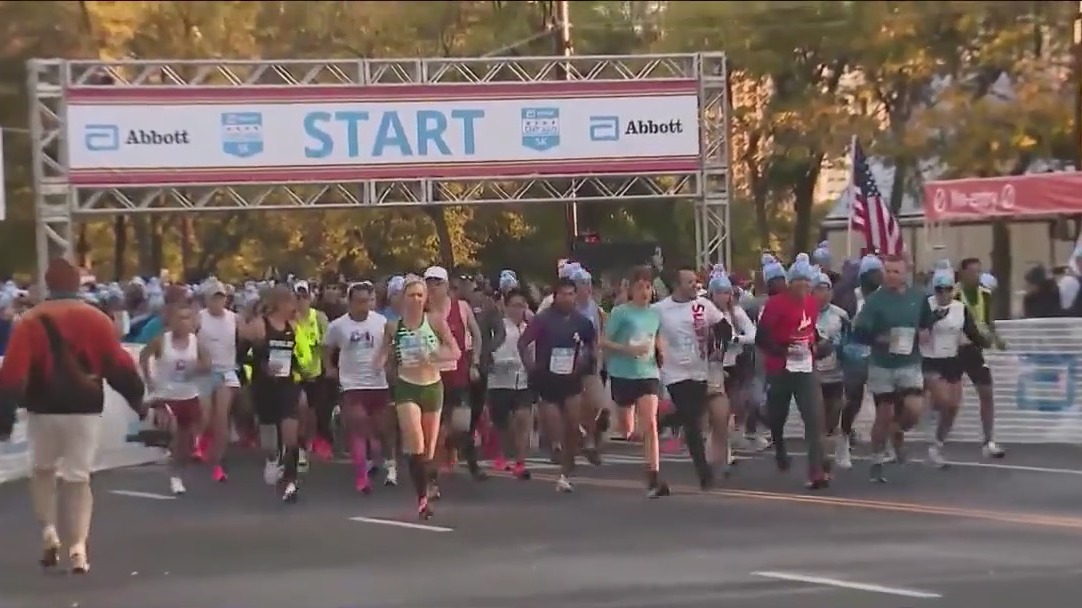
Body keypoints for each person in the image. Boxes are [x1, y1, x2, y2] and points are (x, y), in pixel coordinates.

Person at [0, 258, 145, 574]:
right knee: (78, 477)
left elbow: (12, 373)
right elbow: (117, 364)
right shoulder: (97, 319)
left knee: (42, 470)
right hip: (85, 406)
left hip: (43, 407)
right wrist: (138, 400)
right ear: (77, 284)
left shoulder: (30, 320)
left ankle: (49, 531)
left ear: (48, 284)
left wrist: (4, 417)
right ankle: (78, 547)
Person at [375, 276, 460, 519]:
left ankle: (428, 482)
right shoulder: (393, 326)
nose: (415, 299)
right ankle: (422, 499)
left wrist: (435, 355)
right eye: (411, 295)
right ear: (402, 298)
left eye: (420, 295)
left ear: (426, 299)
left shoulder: (435, 321)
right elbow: (381, 355)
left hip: (432, 387)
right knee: (415, 444)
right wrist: (379, 361)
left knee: (429, 452)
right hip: (407, 387)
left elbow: (455, 350)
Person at [852, 254, 926, 483]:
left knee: (914, 410)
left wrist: (924, 332)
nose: (891, 276)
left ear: (906, 273)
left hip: (910, 362)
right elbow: (860, 331)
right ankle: (876, 460)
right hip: (882, 364)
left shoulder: (918, 297)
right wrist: (879, 338)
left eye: (896, 271)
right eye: (888, 271)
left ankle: (898, 429)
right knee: (884, 413)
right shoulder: (875, 300)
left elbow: (927, 321)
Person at [519, 278, 597, 493]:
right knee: (555, 425)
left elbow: (591, 346)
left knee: (573, 423)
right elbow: (523, 343)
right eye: (563, 294)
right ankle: (557, 450)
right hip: (547, 380)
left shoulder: (582, 321)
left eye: (571, 294)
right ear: (555, 296)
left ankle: (567, 468)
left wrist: (585, 362)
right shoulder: (543, 319)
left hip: (571, 379)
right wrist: (531, 366)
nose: (568, 298)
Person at [756, 254, 827, 489]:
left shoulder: (812, 304)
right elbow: (761, 338)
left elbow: (811, 331)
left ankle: (816, 470)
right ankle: (779, 445)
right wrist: (781, 349)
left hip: (805, 367)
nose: (804, 285)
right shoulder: (775, 304)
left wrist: (819, 345)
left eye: (807, 281)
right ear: (790, 282)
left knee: (814, 417)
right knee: (777, 416)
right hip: (780, 368)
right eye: (799, 281)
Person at [654, 266, 727, 489]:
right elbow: (648, 333)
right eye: (689, 282)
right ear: (676, 286)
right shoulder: (660, 309)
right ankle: (704, 473)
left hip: (699, 369)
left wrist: (718, 343)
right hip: (674, 372)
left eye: (696, 281)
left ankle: (662, 422)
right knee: (693, 422)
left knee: (694, 416)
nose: (695, 285)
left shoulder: (704, 305)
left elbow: (724, 328)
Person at [603, 266, 669, 498]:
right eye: (640, 287)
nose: (645, 292)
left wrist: (661, 351)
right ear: (630, 290)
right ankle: (607, 418)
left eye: (648, 287)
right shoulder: (621, 313)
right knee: (628, 429)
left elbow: (657, 338)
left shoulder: (654, 314)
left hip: (648, 373)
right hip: (622, 373)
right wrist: (626, 349)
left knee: (650, 424)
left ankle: (653, 477)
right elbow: (603, 341)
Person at [323, 282, 394, 493]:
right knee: (358, 427)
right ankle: (362, 477)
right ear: (350, 302)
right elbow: (326, 348)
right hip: (352, 384)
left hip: (378, 383)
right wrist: (329, 367)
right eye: (359, 302)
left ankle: (386, 462)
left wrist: (387, 364)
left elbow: (389, 346)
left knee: (381, 429)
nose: (364, 306)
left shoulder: (381, 322)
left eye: (367, 301)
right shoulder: (338, 326)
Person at [240, 286, 303, 502]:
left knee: (291, 432)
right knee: (269, 436)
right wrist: (262, 366)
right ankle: (272, 457)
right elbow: (241, 355)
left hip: (287, 385)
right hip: (264, 386)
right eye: (290, 302)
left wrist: (299, 374)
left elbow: (295, 356)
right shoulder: (260, 326)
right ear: (279, 304)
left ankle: (291, 482)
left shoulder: (292, 326)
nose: (294, 307)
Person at [920, 266, 988, 468]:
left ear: (953, 289)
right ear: (934, 290)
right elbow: (919, 331)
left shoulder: (960, 308)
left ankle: (937, 445)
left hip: (951, 360)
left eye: (948, 289)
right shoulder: (926, 305)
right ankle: (926, 409)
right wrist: (932, 319)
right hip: (930, 359)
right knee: (943, 400)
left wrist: (985, 342)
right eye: (939, 289)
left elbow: (971, 331)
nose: (944, 294)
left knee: (953, 407)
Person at [140, 302, 211, 495]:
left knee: (186, 443)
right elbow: (144, 356)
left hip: (188, 395)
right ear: (171, 321)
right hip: (166, 395)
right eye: (180, 318)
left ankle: (178, 471)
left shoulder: (195, 342)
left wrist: (197, 369)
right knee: (173, 432)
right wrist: (149, 380)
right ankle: (172, 468)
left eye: (188, 318)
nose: (185, 322)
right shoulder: (162, 341)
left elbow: (207, 364)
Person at [424, 266, 486, 480]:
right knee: (434, 427)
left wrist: (474, 362)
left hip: (458, 373)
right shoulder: (421, 311)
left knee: (461, 424)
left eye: (438, 283)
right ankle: (433, 470)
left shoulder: (461, 307)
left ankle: (455, 450)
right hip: (431, 376)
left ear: (447, 285)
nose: (433, 288)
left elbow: (477, 336)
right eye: (429, 284)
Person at [955, 258, 1006, 459]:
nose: (976, 276)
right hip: (953, 348)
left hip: (974, 349)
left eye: (979, 271)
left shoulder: (985, 293)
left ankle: (988, 440)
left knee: (986, 391)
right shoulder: (953, 293)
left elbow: (988, 321)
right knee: (947, 398)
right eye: (972, 272)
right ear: (962, 273)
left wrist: (996, 338)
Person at [196, 279, 240, 482]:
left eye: (221, 297)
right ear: (206, 299)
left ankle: (217, 461)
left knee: (221, 418)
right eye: (214, 298)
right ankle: (198, 444)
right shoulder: (199, 318)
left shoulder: (234, 318)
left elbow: (250, 333)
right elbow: (187, 338)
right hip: (204, 372)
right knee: (205, 416)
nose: (218, 302)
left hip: (226, 371)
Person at [487, 288, 534, 480]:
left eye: (521, 306)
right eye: (514, 305)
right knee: (502, 423)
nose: (517, 310)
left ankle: (520, 461)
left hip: (522, 381)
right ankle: (502, 454)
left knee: (523, 418)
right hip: (499, 381)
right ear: (505, 307)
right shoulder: (499, 327)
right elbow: (488, 351)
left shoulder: (529, 328)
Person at [811, 273, 850, 468]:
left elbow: (849, 340)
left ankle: (836, 443)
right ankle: (821, 457)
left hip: (835, 373)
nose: (822, 294)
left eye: (826, 289)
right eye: (818, 289)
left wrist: (839, 349)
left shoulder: (840, 315)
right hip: (813, 374)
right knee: (817, 416)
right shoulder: (804, 313)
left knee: (834, 414)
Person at [292, 280, 331, 464]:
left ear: (310, 298)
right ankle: (298, 446)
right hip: (294, 373)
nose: (301, 301)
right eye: (297, 297)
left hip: (315, 372)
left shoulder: (319, 318)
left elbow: (327, 344)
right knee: (300, 407)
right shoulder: (289, 318)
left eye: (304, 297)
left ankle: (308, 443)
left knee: (312, 412)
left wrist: (327, 365)